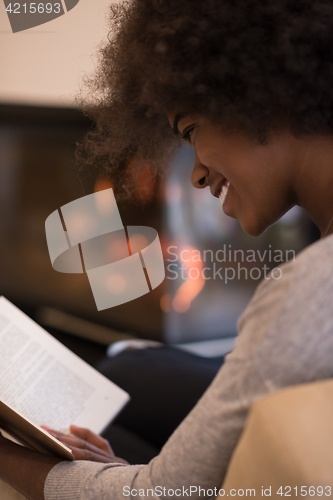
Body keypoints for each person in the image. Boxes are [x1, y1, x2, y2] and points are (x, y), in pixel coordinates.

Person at [2, 0, 333, 498]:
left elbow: (159, 493)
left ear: (267, 96)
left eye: (192, 132)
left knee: (113, 417)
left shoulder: (311, 286)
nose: (196, 172)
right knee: (130, 370)